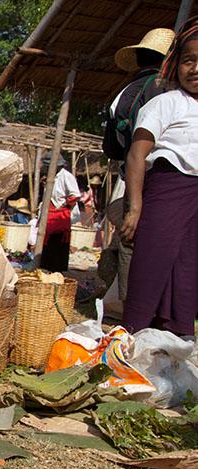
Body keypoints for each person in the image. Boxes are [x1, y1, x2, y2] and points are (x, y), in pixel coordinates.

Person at [121, 18, 198, 339]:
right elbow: (136, 154)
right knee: (152, 260)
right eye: (189, 60)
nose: (195, 69)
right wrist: (135, 208)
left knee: (188, 267)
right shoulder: (165, 103)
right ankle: (135, 333)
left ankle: (178, 334)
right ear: (175, 64)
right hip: (166, 190)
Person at [99, 28, 174, 302]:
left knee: (131, 243)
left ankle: (132, 307)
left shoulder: (123, 93)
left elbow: (111, 148)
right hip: (159, 179)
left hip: (127, 176)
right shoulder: (168, 91)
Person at [41, 164, 80, 273]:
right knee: (48, 242)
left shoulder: (66, 176)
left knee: (59, 242)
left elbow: (75, 195)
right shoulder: (51, 177)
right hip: (51, 212)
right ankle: (47, 267)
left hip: (60, 213)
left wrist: (64, 206)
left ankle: (57, 269)